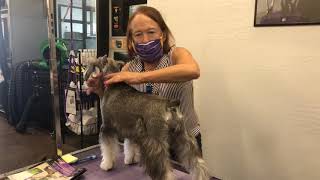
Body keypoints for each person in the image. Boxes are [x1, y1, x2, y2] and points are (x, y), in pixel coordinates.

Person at [87, 6, 203, 153]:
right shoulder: (129, 69)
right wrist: (100, 91)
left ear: (163, 35)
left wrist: (139, 78)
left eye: (151, 32)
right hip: (152, 144)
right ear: (131, 40)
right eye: (138, 34)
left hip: (185, 140)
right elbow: (116, 104)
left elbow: (193, 70)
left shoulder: (177, 55)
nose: (146, 39)